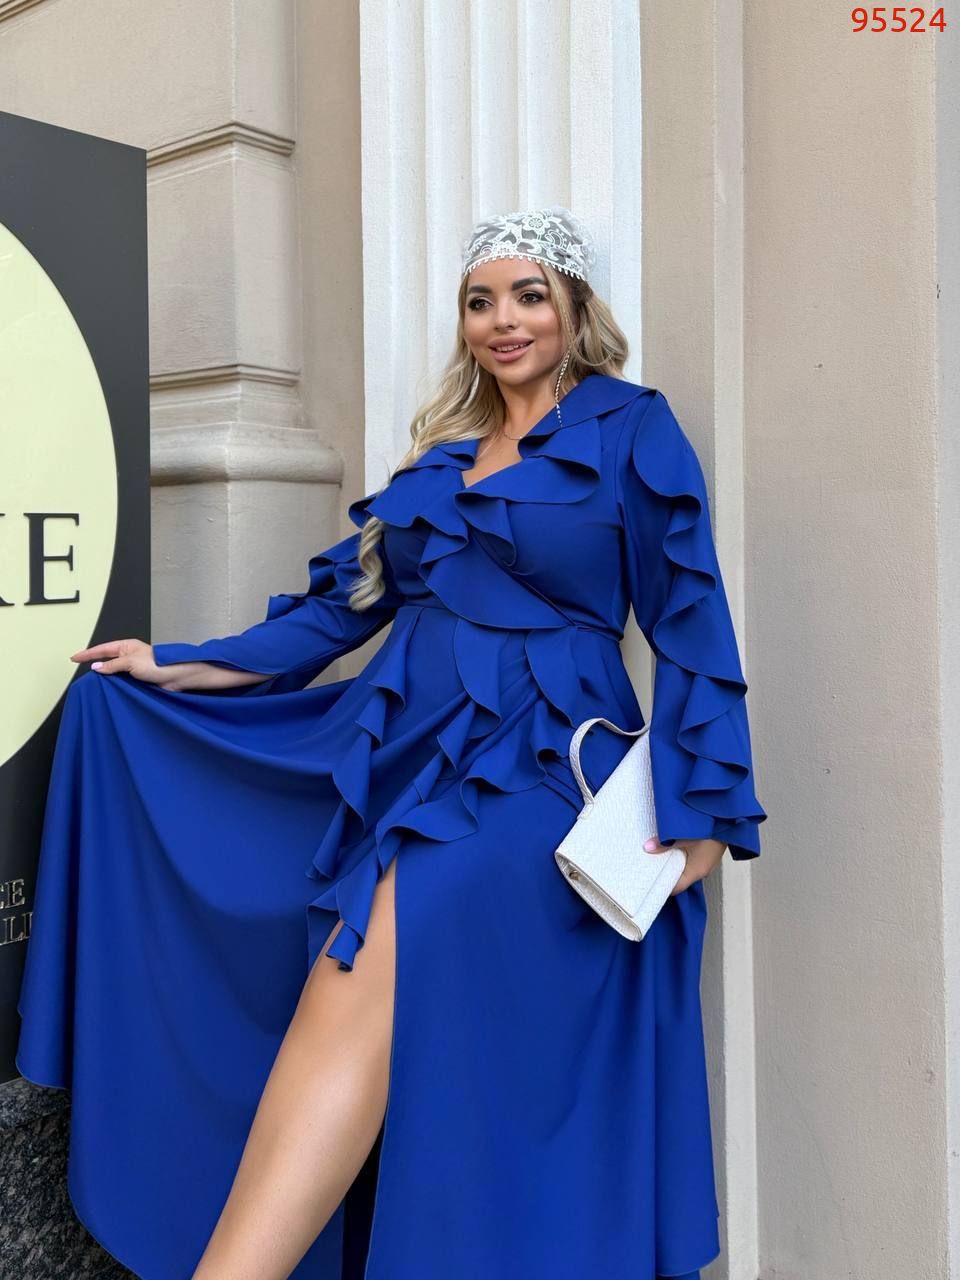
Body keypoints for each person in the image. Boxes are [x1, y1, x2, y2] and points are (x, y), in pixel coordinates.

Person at [16, 205, 767, 1280]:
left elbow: (691, 618)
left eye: (529, 295)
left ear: (573, 307)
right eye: (479, 301)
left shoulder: (631, 429)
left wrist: (706, 818)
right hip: (410, 760)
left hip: (544, 764)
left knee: (366, 947)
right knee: (353, 967)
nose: (503, 321)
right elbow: (338, 612)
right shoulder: (438, 463)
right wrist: (178, 664)